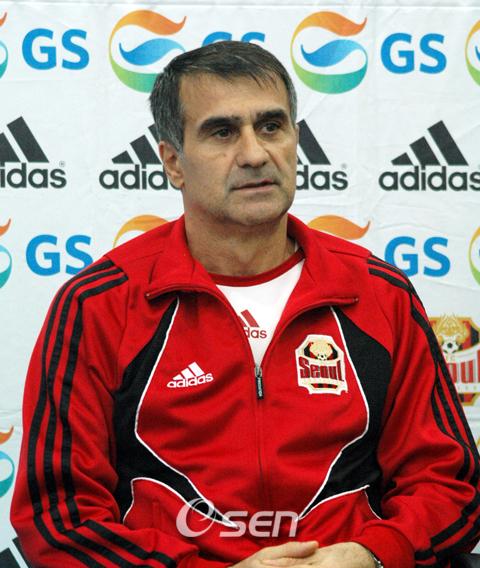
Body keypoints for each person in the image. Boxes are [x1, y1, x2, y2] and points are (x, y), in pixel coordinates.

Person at [10, 41, 479, 568]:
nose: (255, 154)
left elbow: (449, 484)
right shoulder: (100, 304)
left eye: (271, 126)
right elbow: (59, 517)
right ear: (172, 162)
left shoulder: (378, 293)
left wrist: (373, 553)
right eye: (222, 132)